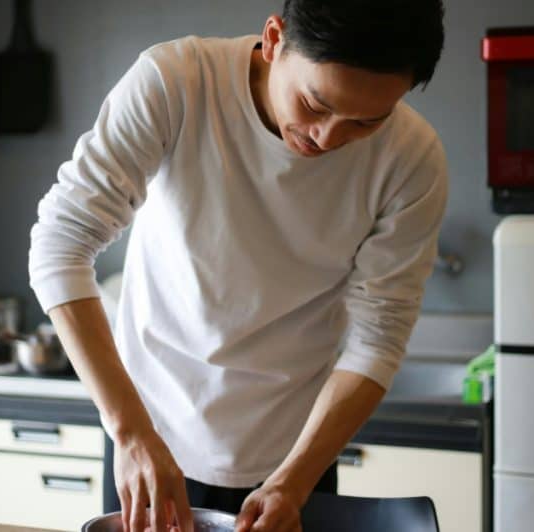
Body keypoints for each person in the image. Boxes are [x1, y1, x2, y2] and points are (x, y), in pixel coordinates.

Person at [28, 1, 447, 530]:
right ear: (275, 40)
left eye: (366, 122)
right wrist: (130, 432)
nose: (328, 138)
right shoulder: (176, 83)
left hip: (296, 459)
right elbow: (60, 243)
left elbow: (378, 340)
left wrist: (294, 481)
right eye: (315, 105)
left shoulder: (411, 159)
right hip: (149, 437)